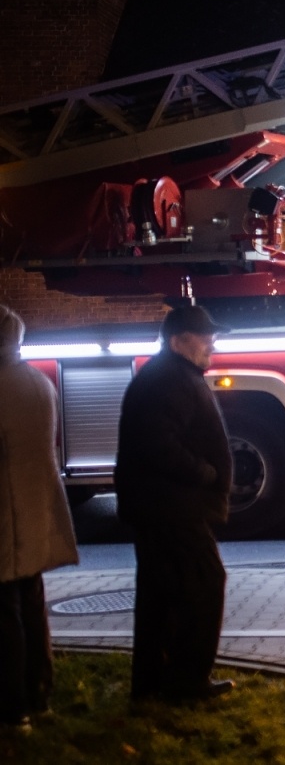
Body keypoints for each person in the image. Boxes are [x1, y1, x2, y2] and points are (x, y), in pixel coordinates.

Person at [115, 304, 235, 703]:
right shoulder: (170, 380)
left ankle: (152, 683)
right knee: (204, 582)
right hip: (172, 507)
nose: (211, 343)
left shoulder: (169, 375)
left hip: (160, 505)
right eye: (204, 336)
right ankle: (187, 679)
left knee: (161, 594)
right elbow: (159, 445)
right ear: (178, 341)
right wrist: (205, 473)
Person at [0, 305, 80, 726]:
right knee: (32, 607)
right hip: (32, 514)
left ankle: (11, 707)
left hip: (5, 519)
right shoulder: (36, 381)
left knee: (4, 614)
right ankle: (39, 691)